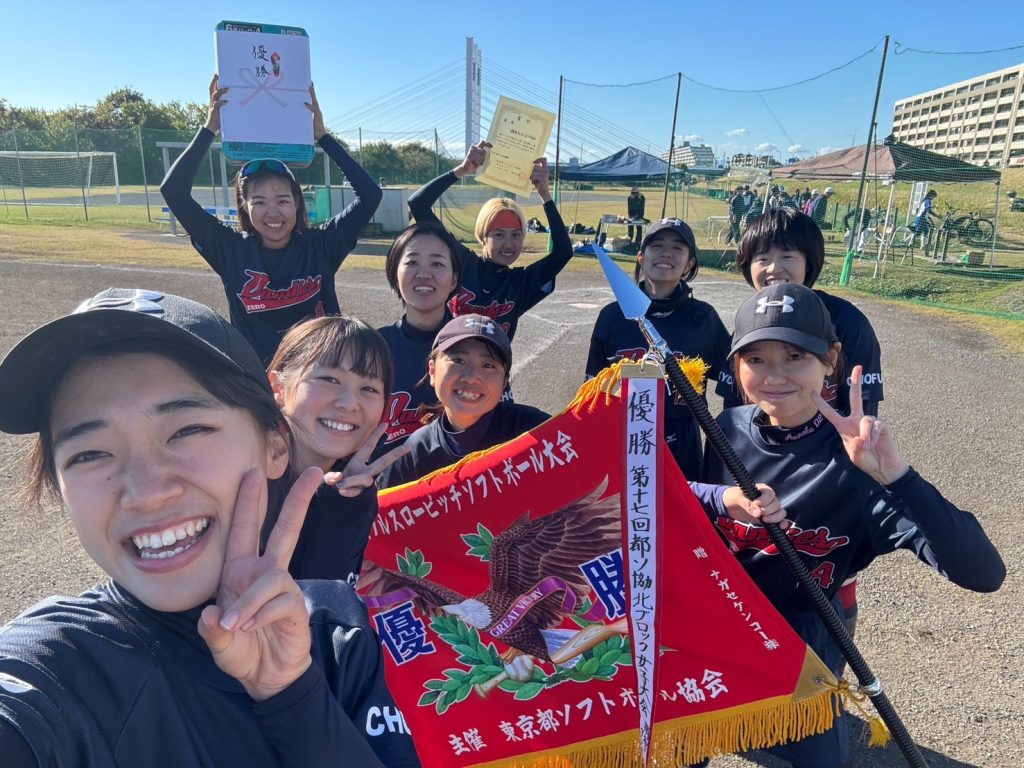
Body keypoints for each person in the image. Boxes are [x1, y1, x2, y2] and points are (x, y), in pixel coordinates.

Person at [0, 288, 419, 767]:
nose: (146, 492)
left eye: (187, 431)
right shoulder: (54, 665)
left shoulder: (337, 635)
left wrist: (292, 694)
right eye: (90, 454)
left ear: (275, 447)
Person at [701, 282, 1004, 768]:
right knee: (684, 743)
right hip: (716, 626)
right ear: (735, 366)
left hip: (804, 643)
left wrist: (899, 477)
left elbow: (983, 573)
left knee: (822, 759)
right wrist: (721, 498)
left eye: (795, 356)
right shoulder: (727, 427)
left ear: (831, 360)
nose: (774, 375)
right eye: (755, 359)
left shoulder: (859, 468)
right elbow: (677, 502)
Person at [160, 75, 382, 365]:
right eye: (260, 202)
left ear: (297, 203)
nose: (273, 212)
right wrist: (210, 128)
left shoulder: (322, 245)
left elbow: (370, 195)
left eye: (283, 201)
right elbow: (173, 191)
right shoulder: (230, 249)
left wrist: (323, 137)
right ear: (244, 206)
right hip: (258, 380)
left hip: (320, 374)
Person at [587, 218, 735, 482]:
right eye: (657, 245)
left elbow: (734, 378)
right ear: (641, 257)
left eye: (678, 248)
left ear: (689, 263)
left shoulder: (703, 318)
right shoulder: (612, 316)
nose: (667, 253)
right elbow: (592, 390)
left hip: (683, 448)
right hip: (624, 440)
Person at [267, 315, 407, 583]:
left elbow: (323, 598)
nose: (349, 403)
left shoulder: (353, 493)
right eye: (330, 379)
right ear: (278, 387)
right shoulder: (240, 480)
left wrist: (342, 507)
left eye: (369, 388)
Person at [407, 141, 572, 340]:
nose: (509, 244)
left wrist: (544, 194)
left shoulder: (521, 283)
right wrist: (462, 170)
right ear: (483, 236)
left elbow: (564, 251)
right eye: (499, 234)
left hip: (494, 361)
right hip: (448, 359)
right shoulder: (461, 262)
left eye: (516, 235)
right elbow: (418, 204)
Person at [734, 207, 884, 417]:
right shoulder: (748, 321)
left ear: (809, 262)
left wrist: (856, 437)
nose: (774, 268)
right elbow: (734, 408)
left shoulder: (848, 322)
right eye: (762, 259)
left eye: (787, 256)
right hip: (760, 438)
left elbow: (862, 409)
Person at [379, 314, 549, 489]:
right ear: (432, 370)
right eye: (458, 360)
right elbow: (381, 503)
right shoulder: (414, 453)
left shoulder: (537, 430)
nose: (471, 377)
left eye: (488, 365)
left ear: (504, 381)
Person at [376, 222, 463, 450]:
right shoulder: (371, 348)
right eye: (412, 262)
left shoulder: (475, 346)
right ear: (395, 274)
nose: (424, 274)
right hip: (384, 473)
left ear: (453, 279)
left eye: (437, 263)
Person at [914, 189, 939, 256]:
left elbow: (925, 211)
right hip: (921, 219)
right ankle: (911, 243)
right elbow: (929, 210)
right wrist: (937, 216)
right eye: (933, 197)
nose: (933, 198)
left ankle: (923, 245)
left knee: (926, 231)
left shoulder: (924, 201)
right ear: (931, 195)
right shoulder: (927, 201)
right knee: (917, 233)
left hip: (921, 218)